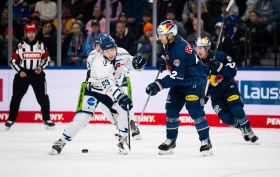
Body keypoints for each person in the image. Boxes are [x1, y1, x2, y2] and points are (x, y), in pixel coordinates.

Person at [49, 35, 146, 155]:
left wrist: (138, 64)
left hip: (110, 91)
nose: (110, 53)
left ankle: (122, 139)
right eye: (107, 51)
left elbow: (130, 63)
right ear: (102, 51)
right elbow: (108, 85)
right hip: (94, 91)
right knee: (83, 118)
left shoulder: (122, 53)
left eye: (112, 50)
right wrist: (120, 96)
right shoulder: (99, 62)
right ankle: (61, 142)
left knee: (123, 109)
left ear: (115, 47)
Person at [146, 20, 213, 156]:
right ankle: (171, 140)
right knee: (171, 109)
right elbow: (170, 57)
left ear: (171, 34)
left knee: (195, 111)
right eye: (159, 34)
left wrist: (157, 85)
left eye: (162, 35)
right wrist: (164, 60)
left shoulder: (179, 48)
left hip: (194, 81)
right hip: (181, 81)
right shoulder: (170, 42)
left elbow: (176, 77)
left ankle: (205, 141)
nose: (159, 37)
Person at [194, 37, 259, 144]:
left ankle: (249, 130)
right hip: (215, 95)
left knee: (236, 110)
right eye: (196, 48)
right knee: (227, 119)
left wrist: (219, 67)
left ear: (208, 48)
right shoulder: (196, 64)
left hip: (228, 88)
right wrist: (203, 96)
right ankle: (241, 128)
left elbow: (233, 72)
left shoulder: (220, 56)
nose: (198, 51)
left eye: (201, 48)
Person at [5, 23, 55, 130]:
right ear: (26, 33)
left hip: (37, 75)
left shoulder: (41, 45)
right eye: (29, 33)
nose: (31, 35)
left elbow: (47, 59)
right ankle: (11, 119)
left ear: (36, 33)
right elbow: (12, 61)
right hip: (23, 74)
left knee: (43, 97)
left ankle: (47, 119)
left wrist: (41, 67)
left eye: (33, 32)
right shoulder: (20, 45)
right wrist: (19, 72)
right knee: (16, 98)